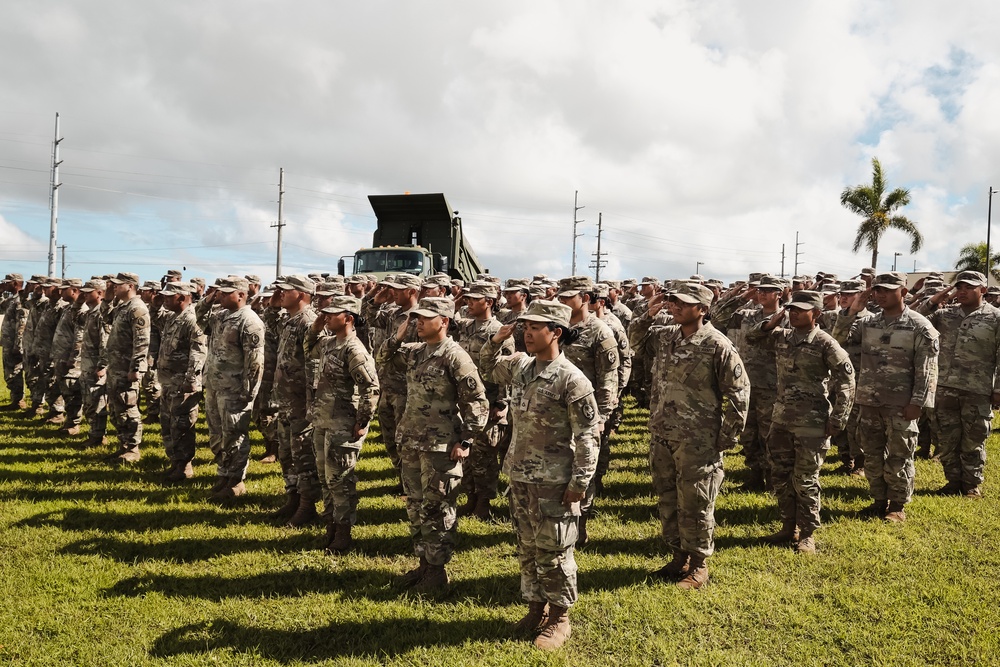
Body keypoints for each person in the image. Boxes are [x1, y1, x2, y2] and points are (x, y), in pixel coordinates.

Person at [480, 299, 600, 650]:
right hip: (521, 474)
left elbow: (588, 437)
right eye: (525, 326)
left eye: (535, 327)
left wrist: (579, 483)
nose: (526, 333)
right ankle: (537, 607)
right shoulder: (522, 367)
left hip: (555, 480)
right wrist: (496, 339)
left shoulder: (572, 380)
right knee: (528, 547)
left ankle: (560, 618)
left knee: (556, 550)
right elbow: (488, 367)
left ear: (556, 333)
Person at [629, 283, 749, 589]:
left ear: (703, 309)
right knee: (668, 497)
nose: (676, 306)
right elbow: (635, 341)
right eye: (674, 302)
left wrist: (727, 437)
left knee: (696, 500)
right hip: (663, 433)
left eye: (684, 303)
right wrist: (648, 311)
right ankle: (678, 556)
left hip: (698, 438)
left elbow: (739, 393)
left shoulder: (716, 345)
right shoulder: (665, 335)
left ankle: (699, 565)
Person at [379, 297, 489, 592]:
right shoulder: (415, 352)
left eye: (426, 318)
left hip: (442, 446)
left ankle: (437, 573)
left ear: (445, 321)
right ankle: (424, 564)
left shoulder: (455, 356)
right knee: (416, 506)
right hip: (412, 442)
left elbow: (478, 402)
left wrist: (466, 439)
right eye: (416, 318)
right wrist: (398, 334)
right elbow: (383, 359)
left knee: (437, 508)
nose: (419, 323)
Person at [746, 291, 856, 554]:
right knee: (781, 475)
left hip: (812, 422)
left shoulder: (825, 343)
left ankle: (807, 534)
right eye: (791, 309)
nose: (793, 313)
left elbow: (847, 381)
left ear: (816, 314)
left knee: (805, 479)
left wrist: (839, 419)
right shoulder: (782, 336)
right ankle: (788, 527)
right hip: (781, 418)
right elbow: (751, 338)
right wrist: (772, 320)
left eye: (801, 309)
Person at [832, 272, 938, 522]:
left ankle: (897, 505)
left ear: (903, 291)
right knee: (872, 453)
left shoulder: (919, 325)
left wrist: (918, 402)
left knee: (900, 455)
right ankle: (878, 499)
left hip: (901, 404)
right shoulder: (868, 323)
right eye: (877, 290)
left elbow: (927, 368)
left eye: (888, 290)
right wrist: (852, 311)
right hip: (869, 401)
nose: (881, 295)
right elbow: (837, 342)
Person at [306, 295, 380, 553]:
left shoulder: (354, 349)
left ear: (348, 318)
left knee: (341, 480)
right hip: (323, 419)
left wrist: (362, 421)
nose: (326, 316)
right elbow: (308, 348)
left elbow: (371, 387)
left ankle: (343, 533)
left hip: (344, 423)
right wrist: (316, 326)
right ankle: (330, 526)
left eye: (332, 313)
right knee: (326, 479)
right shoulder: (328, 343)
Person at [918, 270, 1000, 498]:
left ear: (983, 290)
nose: (962, 291)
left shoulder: (995, 317)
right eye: (959, 287)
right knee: (946, 438)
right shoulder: (944, 315)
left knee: (974, 439)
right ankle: (953, 482)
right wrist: (935, 299)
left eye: (968, 287)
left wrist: (998, 388)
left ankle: (971, 484)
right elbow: (916, 318)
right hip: (944, 387)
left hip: (978, 388)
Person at [453, 281, 514, 521]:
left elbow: (508, 370)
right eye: (467, 298)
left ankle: (484, 502)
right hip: (465, 400)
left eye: (473, 298)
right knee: (468, 454)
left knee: (485, 455)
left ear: (488, 302)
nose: (468, 302)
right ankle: (471, 497)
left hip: (488, 402)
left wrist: (502, 403)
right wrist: (457, 300)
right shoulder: (466, 327)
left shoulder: (500, 331)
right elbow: (445, 315)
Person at [200, 276, 265, 499]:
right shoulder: (221, 316)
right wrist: (208, 299)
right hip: (216, 386)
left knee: (234, 434)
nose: (220, 295)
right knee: (217, 433)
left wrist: (249, 392)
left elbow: (255, 362)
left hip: (236, 389)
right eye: (220, 292)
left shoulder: (249, 321)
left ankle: (236, 481)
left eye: (225, 292)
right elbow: (199, 320)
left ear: (241, 295)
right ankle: (223, 473)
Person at [272, 275, 322, 526]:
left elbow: (315, 366)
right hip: (287, 399)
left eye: (285, 290)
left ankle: (307, 504)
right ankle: (293, 495)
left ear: (301, 294)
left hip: (302, 401)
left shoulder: (310, 322)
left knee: (303, 453)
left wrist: (311, 403)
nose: (279, 294)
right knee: (286, 451)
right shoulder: (289, 320)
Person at [157, 282, 207, 483]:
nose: (165, 300)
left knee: (182, 425)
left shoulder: (192, 319)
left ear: (182, 297)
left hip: (183, 382)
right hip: (169, 381)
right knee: (168, 424)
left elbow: (198, 350)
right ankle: (175, 462)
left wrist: (192, 379)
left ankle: (185, 466)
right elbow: (155, 317)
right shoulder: (173, 317)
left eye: (169, 297)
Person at [99, 272, 151, 464]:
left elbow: (142, 341)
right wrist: (107, 297)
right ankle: (123, 445)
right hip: (117, 365)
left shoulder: (137, 308)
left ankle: (132, 448)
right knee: (117, 408)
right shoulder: (123, 307)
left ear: (130, 286)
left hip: (128, 367)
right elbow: (105, 317)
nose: (114, 287)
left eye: (118, 285)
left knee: (128, 407)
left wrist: (136, 367)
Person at [1, 273, 28, 410]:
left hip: (14, 344)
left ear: (16, 283)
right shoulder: (11, 299)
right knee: (9, 372)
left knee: (15, 371)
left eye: (8, 283)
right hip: (7, 342)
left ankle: (19, 400)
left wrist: (18, 345)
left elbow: (22, 324)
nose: (5, 285)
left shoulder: (21, 300)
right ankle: (15, 399)